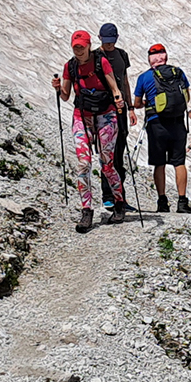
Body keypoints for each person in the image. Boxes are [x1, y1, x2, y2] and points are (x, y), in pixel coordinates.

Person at [51, 30, 128, 233]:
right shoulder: (71, 66)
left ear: (88, 46)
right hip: (82, 116)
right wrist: (58, 88)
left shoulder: (100, 62)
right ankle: (87, 210)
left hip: (106, 114)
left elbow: (114, 87)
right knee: (83, 163)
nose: (78, 50)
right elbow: (66, 96)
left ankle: (119, 203)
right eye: (75, 47)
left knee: (107, 163)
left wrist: (120, 99)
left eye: (81, 47)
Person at [133, 43, 191, 213]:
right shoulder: (178, 73)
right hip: (178, 122)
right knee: (179, 162)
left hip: (156, 123)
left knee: (159, 164)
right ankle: (182, 202)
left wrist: (146, 103)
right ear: (165, 57)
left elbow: (137, 103)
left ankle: (162, 202)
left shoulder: (144, 77)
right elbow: (186, 97)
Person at [95, 23, 137, 210]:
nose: (109, 45)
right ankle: (107, 195)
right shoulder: (95, 57)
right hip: (103, 110)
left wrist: (130, 107)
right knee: (107, 152)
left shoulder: (122, 55)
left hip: (120, 110)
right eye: (106, 42)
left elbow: (125, 80)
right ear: (100, 38)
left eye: (111, 42)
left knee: (119, 151)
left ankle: (120, 197)